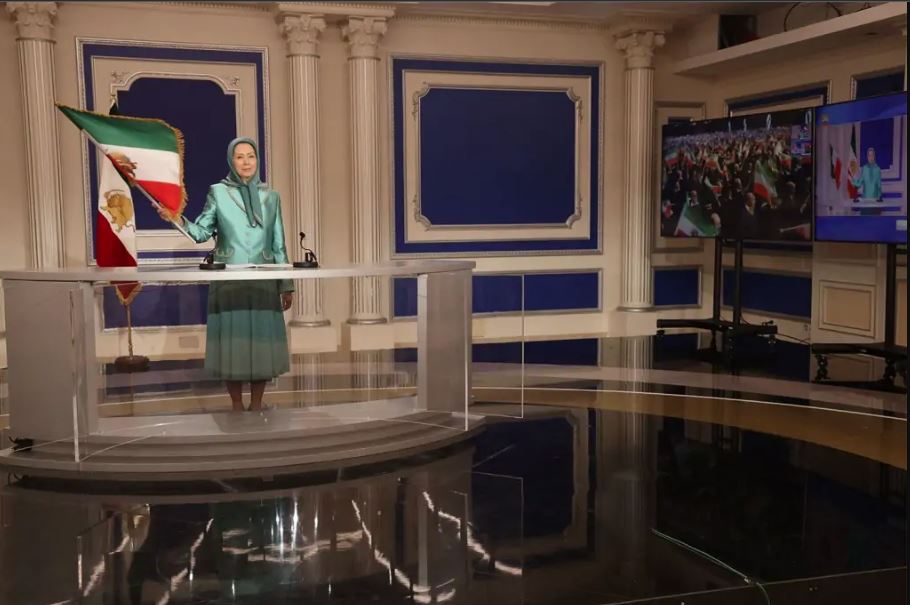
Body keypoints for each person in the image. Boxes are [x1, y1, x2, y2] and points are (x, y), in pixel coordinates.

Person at [158, 137, 294, 411]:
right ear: (231, 161)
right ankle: (236, 404)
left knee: (260, 344)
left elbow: (278, 243)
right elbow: (201, 232)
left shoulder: (271, 196)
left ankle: (257, 404)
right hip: (229, 282)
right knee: (234, 345)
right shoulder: (218, 193)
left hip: (264, 282)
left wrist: (286, 284)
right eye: (239, 157)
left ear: (257, 160)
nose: (246, 162)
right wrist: (176, 219)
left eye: (251, 156)